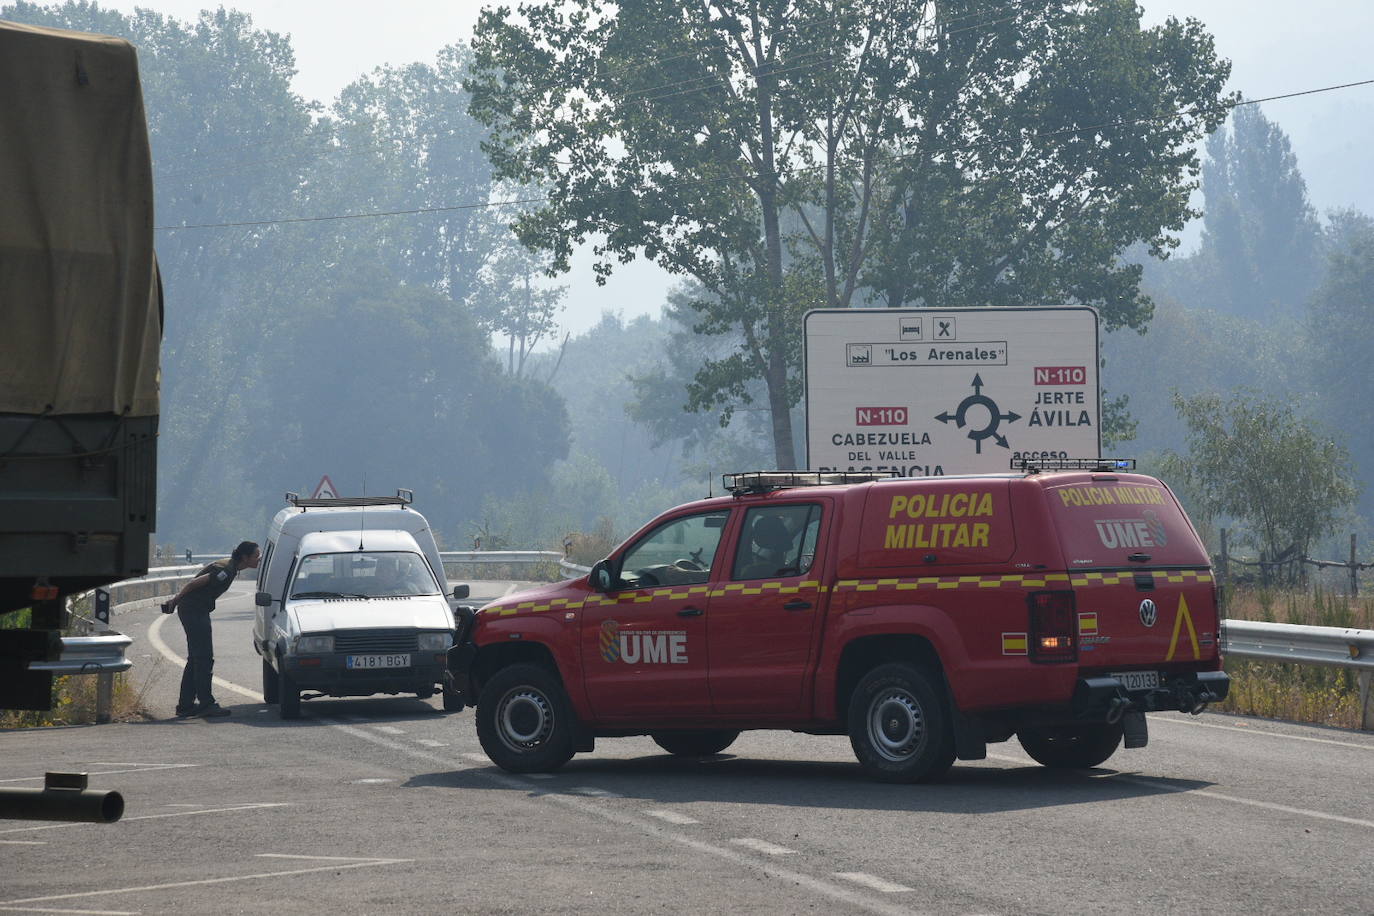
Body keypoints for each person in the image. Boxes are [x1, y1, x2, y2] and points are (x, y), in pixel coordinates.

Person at [164, 541, 261, 718]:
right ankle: (206, 703)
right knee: (204, 658)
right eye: (256, 556)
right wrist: (175, 600)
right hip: (194, 610)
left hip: (196, 609)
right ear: (245, 557)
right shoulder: (225, 570)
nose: (259, 559)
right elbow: (194, 584)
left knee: (195, 658)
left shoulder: (231, 567)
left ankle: (185, 706)